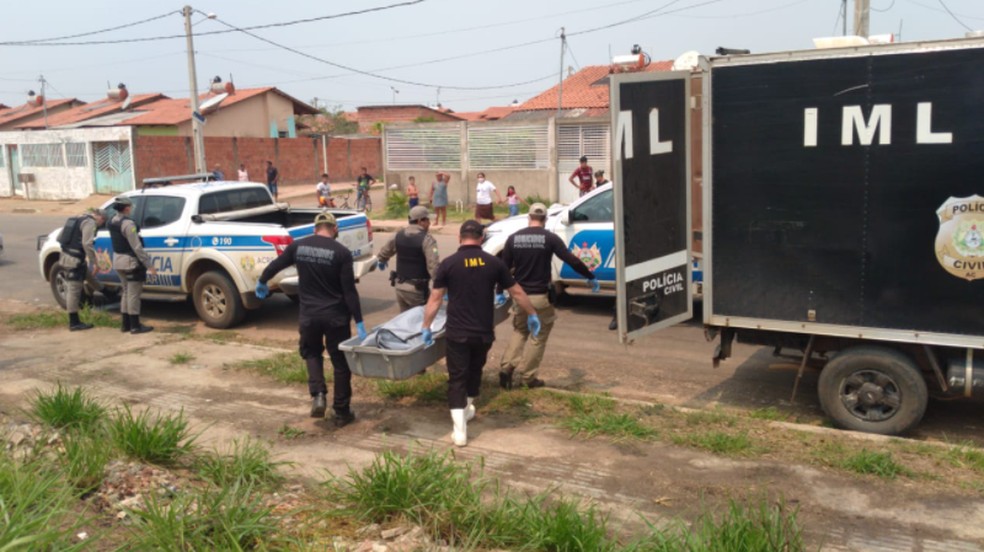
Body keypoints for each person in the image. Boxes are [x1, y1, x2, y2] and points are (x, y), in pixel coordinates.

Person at [420, 220, 539, 447]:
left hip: (457, 333)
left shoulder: (448, 264)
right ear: (482, 238)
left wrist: (426, 327)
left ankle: (460, 431)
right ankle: (466, 411)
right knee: (475, 373)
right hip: (483, 332)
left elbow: (435, 299)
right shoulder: (494, 263)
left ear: (459, 237)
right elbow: (517, 292)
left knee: (457, 378)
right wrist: (532, 313)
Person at [255, 212, 366, 426]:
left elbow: (276, 265)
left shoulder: (299, 247)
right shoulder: (341, 252)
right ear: (334, 229)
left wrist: (262, 280)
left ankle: (318, 396)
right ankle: (342, 411)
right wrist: (359, 321)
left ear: (316, 229)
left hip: (309, 316)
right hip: (336, 317)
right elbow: (349, 292)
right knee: (340, 363)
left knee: (312, 353)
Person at [498, 203, 600, 390]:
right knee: (538, 336)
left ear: (529, 217)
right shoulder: (550, 238)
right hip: (540, 297)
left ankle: (507, 367)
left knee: (520, 331)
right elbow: (572, 260)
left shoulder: (513, 239)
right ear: (545, 219)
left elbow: (503, 269)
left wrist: (498, 292)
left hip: (520, 296)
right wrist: (590, 276)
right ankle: (528, 378)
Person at [375, 205, 439, 312]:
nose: (429, 223)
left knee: (405, 321)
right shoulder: (427, 240)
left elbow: (385, 251)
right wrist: (440, 286)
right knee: (421, 322)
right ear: (420, 221)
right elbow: (434, 266)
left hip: (400, 288)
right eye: (427, 220)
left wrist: (382, 260)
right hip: (417, 291)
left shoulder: (398, 235)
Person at [109, 197, 157, 334]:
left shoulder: (112, 221)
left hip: (118, 261)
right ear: (127, 208)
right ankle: (135, 326)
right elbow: (137, 247)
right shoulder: (128, 224)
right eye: (131, 206)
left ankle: (125, 325)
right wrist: (149, 265)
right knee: (133, 295)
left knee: (125, 292)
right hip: (130, 262)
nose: (132, 208)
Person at [57, 208, 108, 331]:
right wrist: (94, 262)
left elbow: (60, 237)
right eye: (103, 223)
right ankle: (74, 322)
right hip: (74, 260)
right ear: (101, 218)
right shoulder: (90, 223)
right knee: (74, 290)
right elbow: (87, 244)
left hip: (66, 256)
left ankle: (106, 291)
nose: (100, 226)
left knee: (88, 276)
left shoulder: (77, 218)